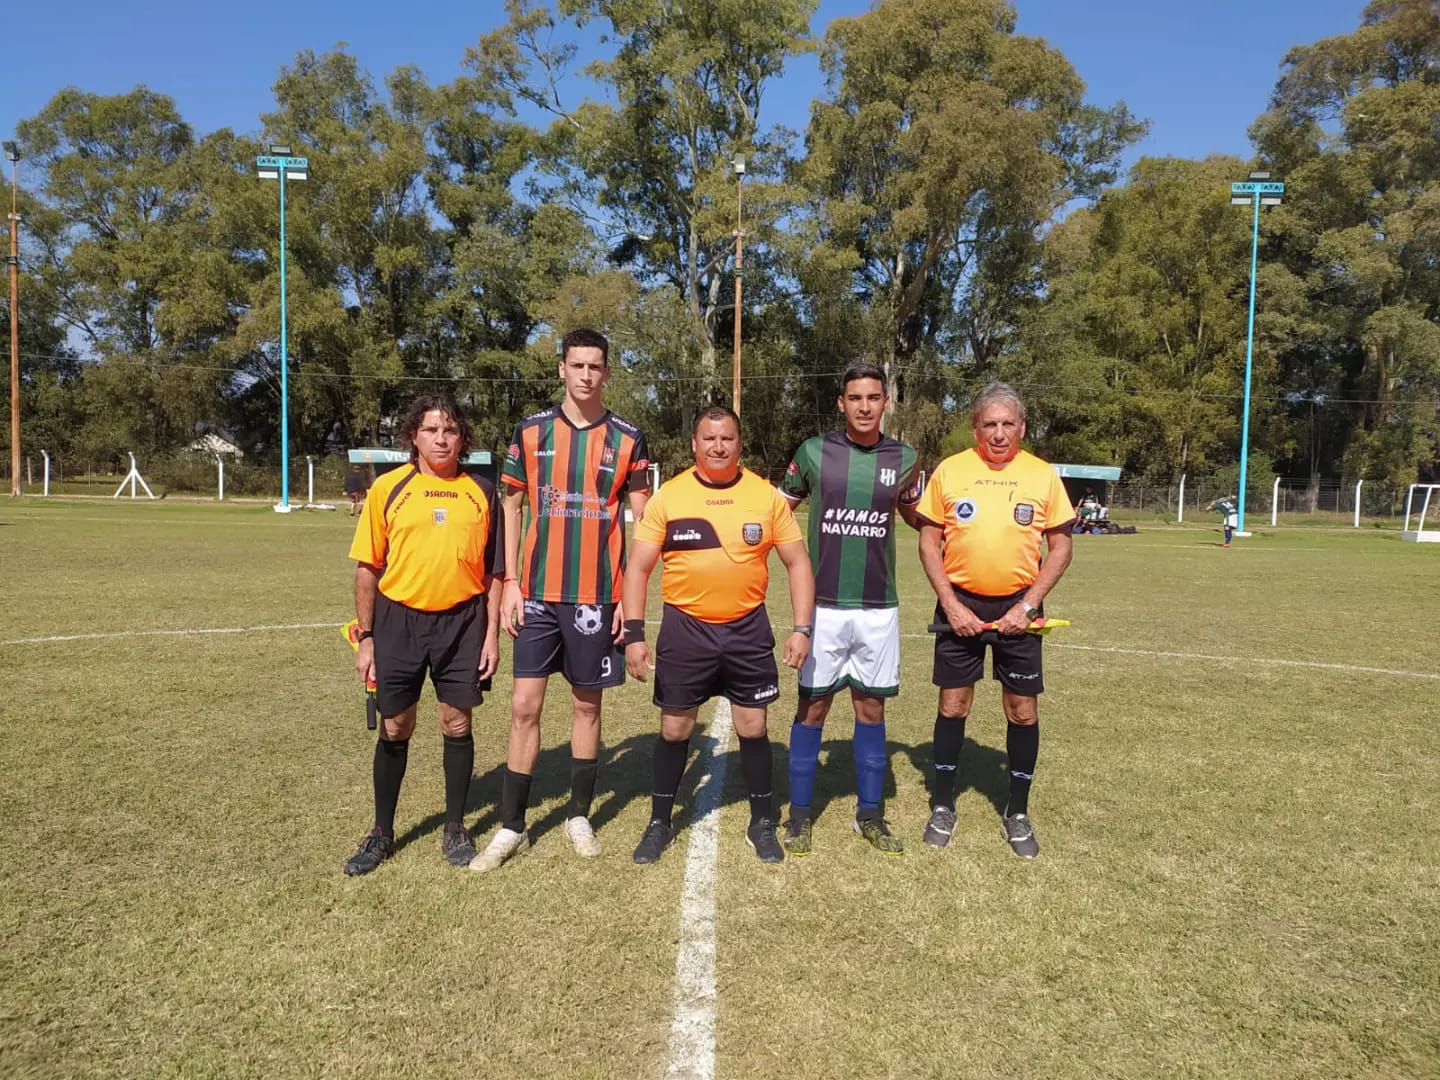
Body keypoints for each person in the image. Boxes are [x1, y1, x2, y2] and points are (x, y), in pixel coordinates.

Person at [471, 328, 652, 871]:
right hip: (537, 596)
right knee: (524, 706)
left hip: (597, 596)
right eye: (577, 365)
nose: (586, 375)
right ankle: (511, 825)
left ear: (607, 372)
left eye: (595, 366)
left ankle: (578, 815)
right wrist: (511, 583)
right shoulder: (530, 432)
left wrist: (628, 602)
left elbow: (644, 524)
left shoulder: (628, 438)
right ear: (562, 370)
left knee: (586, 705)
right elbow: (511, 508)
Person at [623, 405, 815, 866]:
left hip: (747, 628)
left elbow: (797, 563)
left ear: (739, 443)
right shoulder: (669, 497)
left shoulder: (765, 496)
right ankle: (660, 821)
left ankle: (761, 821)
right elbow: (638, 569)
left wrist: (802, 628)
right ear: (694, 444)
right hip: (685, 628)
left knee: (754, 726)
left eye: (727, 438)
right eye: (709, 438)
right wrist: (633, 634)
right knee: (675, 728)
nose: (718, 446)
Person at [343, 394, 503, 876]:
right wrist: (367, 637)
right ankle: (381, 831)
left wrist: (491, 636)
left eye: (450, 430)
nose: (441, 439)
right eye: (431, 430)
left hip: (463, 622)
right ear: (413, 435)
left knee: (456, 722)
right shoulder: (388, 488)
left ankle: (455, 827)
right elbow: (368, 568)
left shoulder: (482, 491)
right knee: (395, 725)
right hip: (399, 621)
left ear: (462, 438)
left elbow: (494, 573)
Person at [915, 383, 1075, 859]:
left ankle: (1017, 811)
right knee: (953, 705)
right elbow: (928, 542)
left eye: (1008, 424)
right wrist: (951, 604)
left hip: (1019, 608)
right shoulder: (951, 470)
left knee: (1022, 711)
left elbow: (1061, 548)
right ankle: (943, 805)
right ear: (975, 428)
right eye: (990, 424)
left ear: (1022, 428)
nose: (999, 433)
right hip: (960, 603)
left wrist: (1026, 607)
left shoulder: (1042, 475)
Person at [777, 362, 921, 856]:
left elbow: (918, 517)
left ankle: (870, 815)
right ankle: (799, 816)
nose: (864, 406)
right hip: (823, 607)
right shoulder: (813, 452)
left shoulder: (904, 458)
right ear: (841, 403)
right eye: (855, 398)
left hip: (879, 608)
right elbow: (779, 512)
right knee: (813, 706)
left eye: (873, 398)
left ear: (886, 402)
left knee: (871, 707)